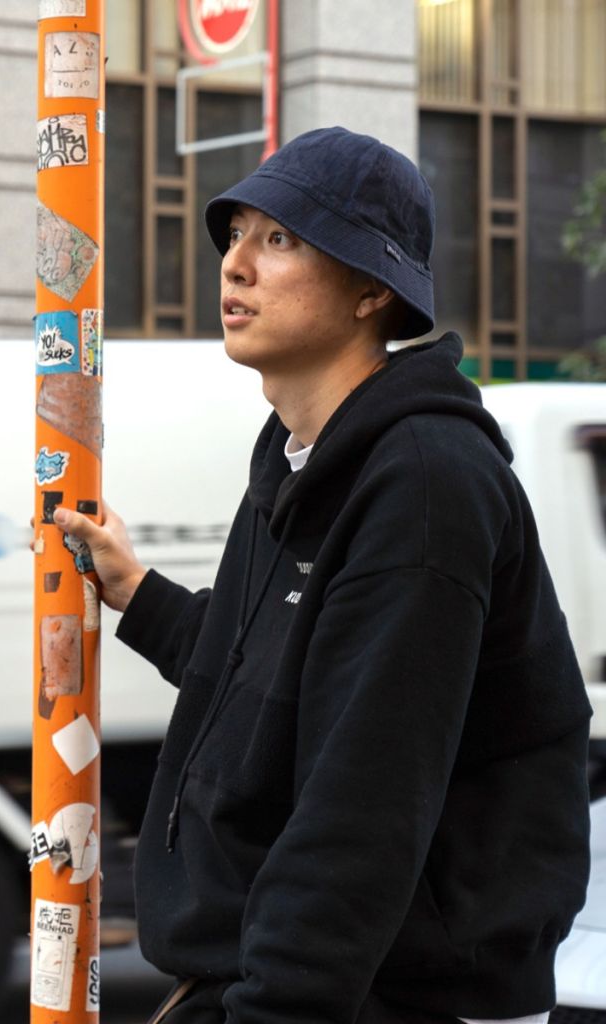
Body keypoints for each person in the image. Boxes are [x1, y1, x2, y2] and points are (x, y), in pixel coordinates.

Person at [53, 127, 592, 1023]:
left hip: (402, 995)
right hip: (280, 974)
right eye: (236, 237)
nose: (235, 266)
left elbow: (363, 807)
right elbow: (268, 674)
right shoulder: (299, 460)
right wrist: (138, 594)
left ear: (372, 289)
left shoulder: (424, 483)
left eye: (280, 240)